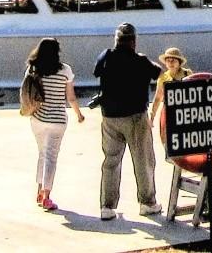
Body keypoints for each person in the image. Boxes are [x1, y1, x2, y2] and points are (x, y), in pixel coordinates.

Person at [94, 22, 163, 220]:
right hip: (135, 116)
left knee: (111, 161)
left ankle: (107, 207)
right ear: (133, 41)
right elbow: (157, 72)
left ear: (116, 40)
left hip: (109, 117)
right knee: (143, 160)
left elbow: (96, 71)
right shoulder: (140, 60)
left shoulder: (106, 56)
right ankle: (147, 203)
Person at [22, 38, 85, 212]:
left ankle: (39, 191)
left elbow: (26, 91)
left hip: (37, 117)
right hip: (57, 120)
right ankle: (46, 196)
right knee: (51, 157)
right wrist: (79, 114)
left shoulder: (33, 69)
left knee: (42, 153)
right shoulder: (65, 70)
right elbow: (70, 97)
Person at [148, 47, 193, 124]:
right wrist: (152, 116)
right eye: (168, 61)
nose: (170, 63)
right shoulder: (163, 77)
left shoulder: (187, 73)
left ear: (179, 62)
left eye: (173, 60)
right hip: (169, 112)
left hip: (186, 111)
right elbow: (158, 98)